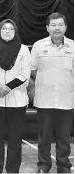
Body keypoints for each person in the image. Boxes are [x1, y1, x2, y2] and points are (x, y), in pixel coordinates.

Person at [0, 19, 31, 173]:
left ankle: (13, 170)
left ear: (15, 31)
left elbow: (25, 74)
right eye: (4, 28)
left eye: (11, 29)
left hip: (17, 101)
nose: (7, 31)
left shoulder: (23, 50)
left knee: (15, 140)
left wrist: (8, 87)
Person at [31, 12, 73, 173]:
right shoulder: (38, 46)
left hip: (66, 98)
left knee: (64, 137)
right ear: (47, 28)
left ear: (66, 27)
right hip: (44, 98)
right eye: (53, 25)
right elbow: (32, 69)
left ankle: (63, 165)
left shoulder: (73, 46)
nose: (57, 28)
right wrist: (45, 81)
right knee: (44, 137)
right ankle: (43, 165)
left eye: (60, 25)